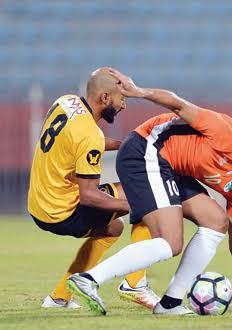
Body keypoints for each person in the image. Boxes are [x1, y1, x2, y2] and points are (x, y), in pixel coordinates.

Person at [67, 69, 232, 316]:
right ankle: (90, 279)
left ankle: (170, 303)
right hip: (146, 148)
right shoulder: (226, 132)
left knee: (216, 221)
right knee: (171, 241)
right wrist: (138, 92)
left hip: (172, 171)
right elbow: (177, 104)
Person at [28, 68, 159, 310]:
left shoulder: (66, 102)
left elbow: (78, 142)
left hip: (39, 201)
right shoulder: (89, 136)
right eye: (122, 99)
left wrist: (124, 146)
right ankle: (135, 285)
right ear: (105, 98)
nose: (124, 106)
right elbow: (88, 195)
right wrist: (133, 206)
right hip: (62, 211)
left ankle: (59, 298)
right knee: (145, 195)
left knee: (112, 228)